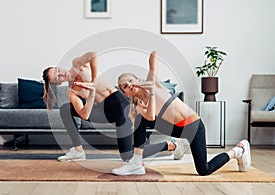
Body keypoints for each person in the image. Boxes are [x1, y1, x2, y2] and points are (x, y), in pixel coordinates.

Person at [112, 51, 251, 176]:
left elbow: (154, 56)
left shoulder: (152, 82)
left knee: (204, 170)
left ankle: (239, 150)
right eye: (125, 86)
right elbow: (150, 118)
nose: (129, 85)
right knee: (140, 119)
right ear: (126, 93)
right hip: (176, 129)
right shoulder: (138, 106)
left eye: (130, 81)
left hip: (193, 127)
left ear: (138, 80)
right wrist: (150, 95)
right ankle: (137, 162)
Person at [42, 51, 188, 162]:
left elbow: (93, 54)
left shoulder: (77, 64)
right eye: (57, 77)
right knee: (66, 109)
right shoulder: (72, 91)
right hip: (102, 110)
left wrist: (93, 80)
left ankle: (172, 144)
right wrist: (91, 93)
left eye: (57, 70)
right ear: (58, 83)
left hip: (118, 104)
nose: (61, 74)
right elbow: (85, 115)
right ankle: (78, 151)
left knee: (127, 156)